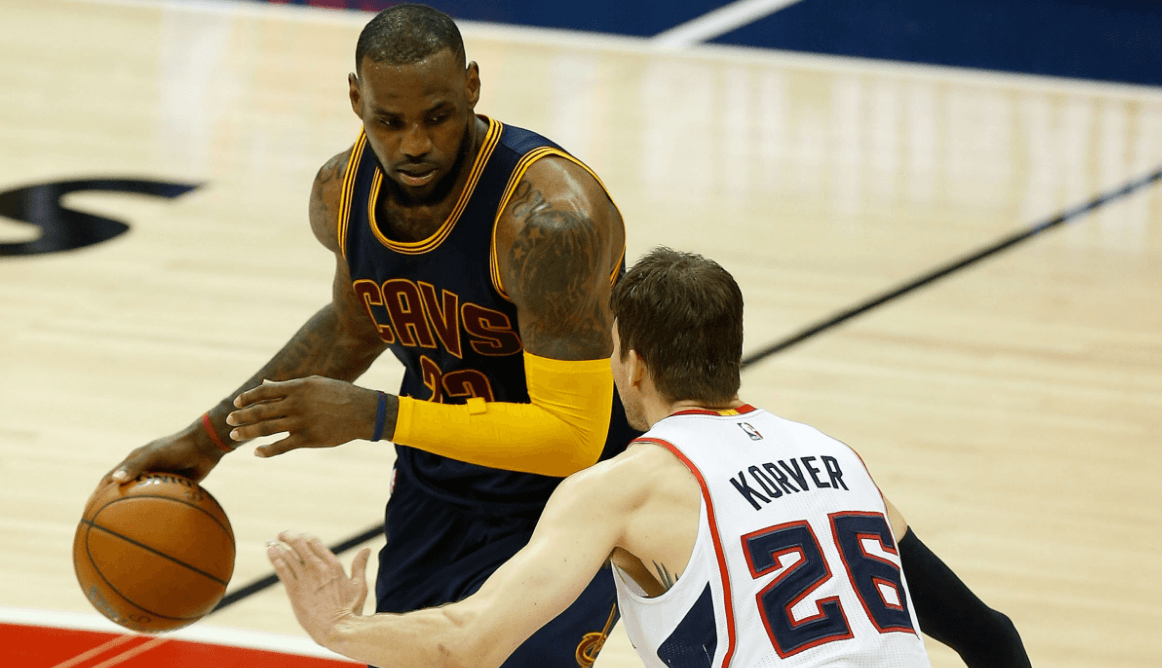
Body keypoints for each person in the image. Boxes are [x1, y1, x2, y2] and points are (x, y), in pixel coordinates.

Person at [105, 4, 638, 666]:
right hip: (436, 488)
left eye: (437, 116)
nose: (414, 143)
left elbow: (572, 438)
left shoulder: (549, 221)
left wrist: (378, 415)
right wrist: (210, 437)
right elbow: (356, 324)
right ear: (356, 99)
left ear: (472, 87)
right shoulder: (342, 189)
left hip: (570, 501)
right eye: (389, 121)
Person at [266, 247, 1032, 668]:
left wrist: (340, 629)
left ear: (629, 364)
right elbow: (992, 638)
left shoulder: (622, 487)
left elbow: (468, 643)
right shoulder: (841, 461)